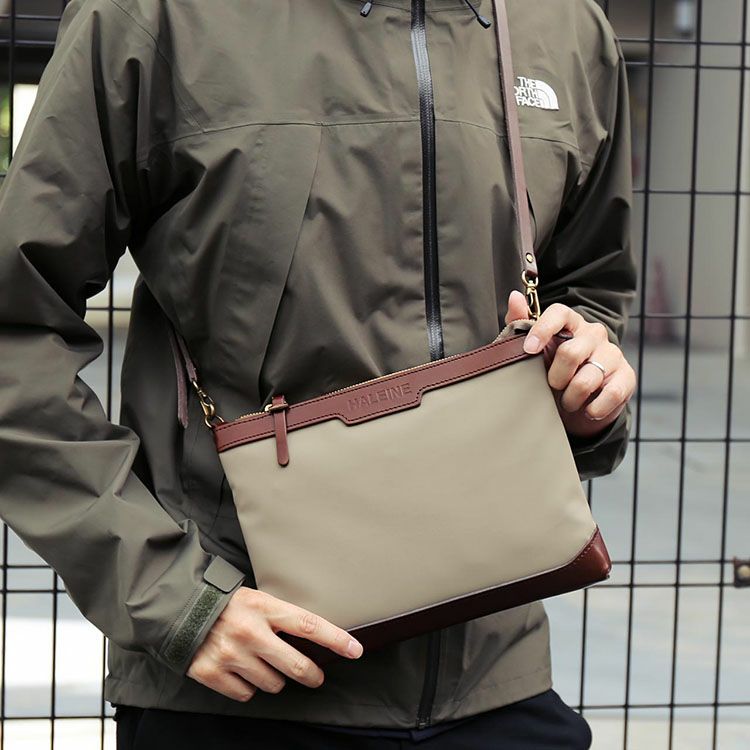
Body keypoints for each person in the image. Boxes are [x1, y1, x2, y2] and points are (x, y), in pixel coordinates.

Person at [0, 0, 637, 747]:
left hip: (496, 675)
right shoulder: (155, 16)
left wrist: (586, 383)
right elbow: (16, 329)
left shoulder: (565, 27)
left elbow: (588, 291)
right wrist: (173, 598)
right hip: (244, 685)